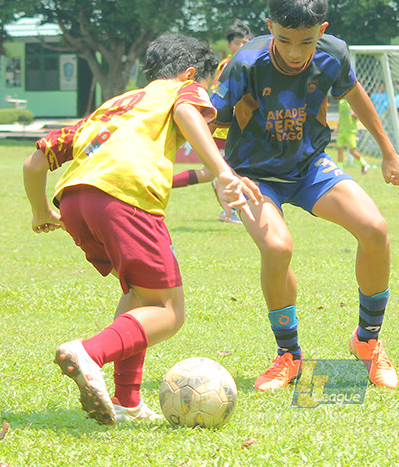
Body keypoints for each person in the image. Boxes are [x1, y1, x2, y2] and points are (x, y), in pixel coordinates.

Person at [22, 32, 261, 425]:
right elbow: (187, 114)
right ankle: (90, 353)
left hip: (76, 202)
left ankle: (127, 401)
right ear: (189, 74)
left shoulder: (113, 105)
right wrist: (224, 172)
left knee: (138, 297)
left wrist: (40, 211)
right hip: (125, 197)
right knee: (169, 311)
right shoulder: (183, 91)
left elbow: (35, 160)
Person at [211, 0, 399, 392]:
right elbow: (213, 125)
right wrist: (221, 175)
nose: (295, 52)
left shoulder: (334, 55)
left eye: (305, 41)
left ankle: (368, 343)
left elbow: (355, 94)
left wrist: (389, 152)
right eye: (283, 40)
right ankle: (289, 357)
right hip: (254, 175)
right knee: (277, 246)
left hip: (308, 167)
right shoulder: (245, 63)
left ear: (322, 30)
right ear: (270, 29)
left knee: (375, 229)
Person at [173, 20, 253, 224]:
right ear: (229, 46)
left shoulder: (250, 63)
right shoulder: (228, 66)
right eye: (237, 43)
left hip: (239, 128)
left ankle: (229, 208)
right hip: (223, 127)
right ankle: (229, 210)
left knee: (214, 172)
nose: (241, 47)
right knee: (219, 171)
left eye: (245, 42)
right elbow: (220, 97)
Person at [334, 96, 370, 174]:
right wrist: (338, 127)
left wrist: (354, 115)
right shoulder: (341, 102)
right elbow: (341, 116)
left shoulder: (353, 102)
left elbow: (358, 116)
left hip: (351, 131)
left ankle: (363, 163)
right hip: (342, 130)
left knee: (352, 151)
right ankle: (340, 170)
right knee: (340, 150)